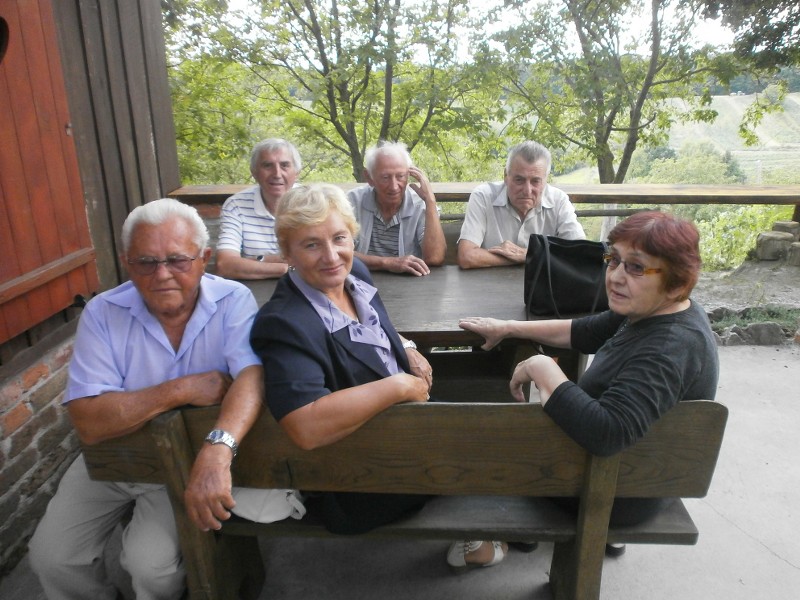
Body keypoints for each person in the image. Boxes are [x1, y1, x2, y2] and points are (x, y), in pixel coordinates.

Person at [248, 184, 506, 567]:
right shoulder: (284, 324)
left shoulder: (355, 273)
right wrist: (399, 386)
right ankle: (486, 535)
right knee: (497, 442)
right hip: (363, 475)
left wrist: (408, 348)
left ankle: (499, 522)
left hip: (404, 424)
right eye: (311, 245)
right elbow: (306, 426)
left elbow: (372, 328)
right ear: (287, 253)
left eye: (339, 238)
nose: (331, 256)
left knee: (499, 409)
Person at [29, 198, 265, 600]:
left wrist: (216, 451)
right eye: (146, 262)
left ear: (204, 259)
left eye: (177, 260)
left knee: (152, 567)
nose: (162, 274)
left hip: (183, 458)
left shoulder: (233, 299)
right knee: (53, 557)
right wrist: (182, 389)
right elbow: (90, 422)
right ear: (127, 263)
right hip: (113, 456)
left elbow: (251, 377)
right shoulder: (103, 312)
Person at [456, 210, 719, 561]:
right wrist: (508, 327)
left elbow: (606, 432)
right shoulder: (653, 309)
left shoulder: (668, 347)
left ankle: (497, 536)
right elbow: (584, 331)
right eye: (614, 260)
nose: (615, 276)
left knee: (479, 436)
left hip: (616, 491)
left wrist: (543, 368)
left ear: (676, 283)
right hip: (626, 471)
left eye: (636, 267)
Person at [457, 140, 585, 269]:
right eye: (519, 180)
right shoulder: (483, 196)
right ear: (506, 176)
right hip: (490, 281)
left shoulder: (559, 201)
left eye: (535, 181)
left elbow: (581, 254)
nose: (527, 190)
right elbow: (467, 256)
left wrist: (527, 255)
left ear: (546, 179)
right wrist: (531, 257)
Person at [347, 141, 446, 275]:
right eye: (385, 177)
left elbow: (435, 258)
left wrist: (430, 201)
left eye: (400, 176)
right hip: (360, 280)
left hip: (409, 285)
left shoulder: (420, 206)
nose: (394, 186)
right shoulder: (351, 202)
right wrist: (387, 263)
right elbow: (339, 252)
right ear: (369, 178)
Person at [215, 138, 301, 279]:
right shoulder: (236, 205)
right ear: (254, 172)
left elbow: (322, 259)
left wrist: (260, 260)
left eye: (284, 165)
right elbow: (225, 265)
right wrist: (289, 268)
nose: (277, 174)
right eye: (267, 165)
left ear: (297, 172)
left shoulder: (312, 203)